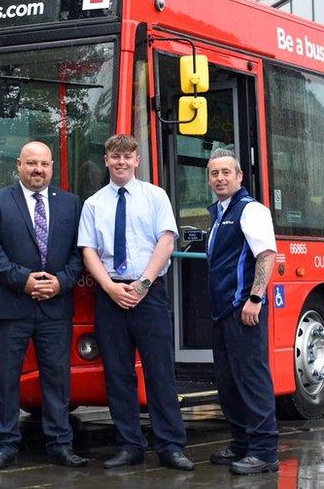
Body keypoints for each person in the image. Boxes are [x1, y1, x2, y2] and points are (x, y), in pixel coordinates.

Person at [77, 134, 194, 471]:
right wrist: (110, 287)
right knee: (118, 375)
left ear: (137, 160)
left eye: (128, 156)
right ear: (106, 160)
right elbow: (89, 251)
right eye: (115, 156)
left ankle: (171, 447)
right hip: (109, 296)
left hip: (150, 293)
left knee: (160, 373)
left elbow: (166, 241)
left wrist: (143, 283)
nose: (122, 162)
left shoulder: (155, 196)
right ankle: (131, 446)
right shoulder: (94, 204)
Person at [0, 141, 88, 471]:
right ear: (18, 165)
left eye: (44, 164)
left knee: (57, 379)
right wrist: (22, 279)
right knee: (6, 380)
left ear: (52, 167)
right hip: (11, 305)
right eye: (31, 163)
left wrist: (61, 282)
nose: (38, 169)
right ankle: (5, 446)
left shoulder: (70, 203)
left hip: (55, 307)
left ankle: (60, 444)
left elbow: (80, 252)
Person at [204, 149, 279, 475]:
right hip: (222, 313)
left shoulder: (251, 210)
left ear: (239, 177)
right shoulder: (220, 212)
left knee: (252, 380)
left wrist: (255, 299)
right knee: (228, 382)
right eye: (213, 173)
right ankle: (241, 444)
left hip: (242, 310)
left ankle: (264, 452)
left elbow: (266, 256)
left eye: (225, 172)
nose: (219, 178)